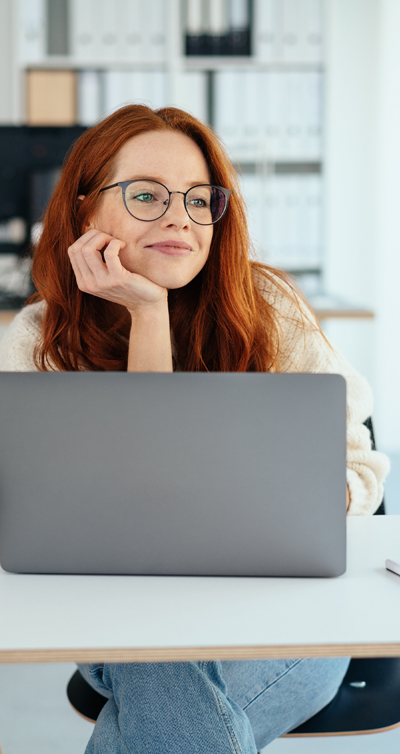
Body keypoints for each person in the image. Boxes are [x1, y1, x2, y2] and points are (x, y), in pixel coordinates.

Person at [0, 105, 390, 753]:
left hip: (282, 613)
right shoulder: (41, 337)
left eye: (199, 198)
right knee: (155, 640)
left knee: (159, 697)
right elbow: (41, 509)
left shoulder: (269, 309)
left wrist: (296, 517)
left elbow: (359, 470)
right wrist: (148, 315)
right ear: (84, 210)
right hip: (117, 614)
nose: (179, 215)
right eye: (147, 195)